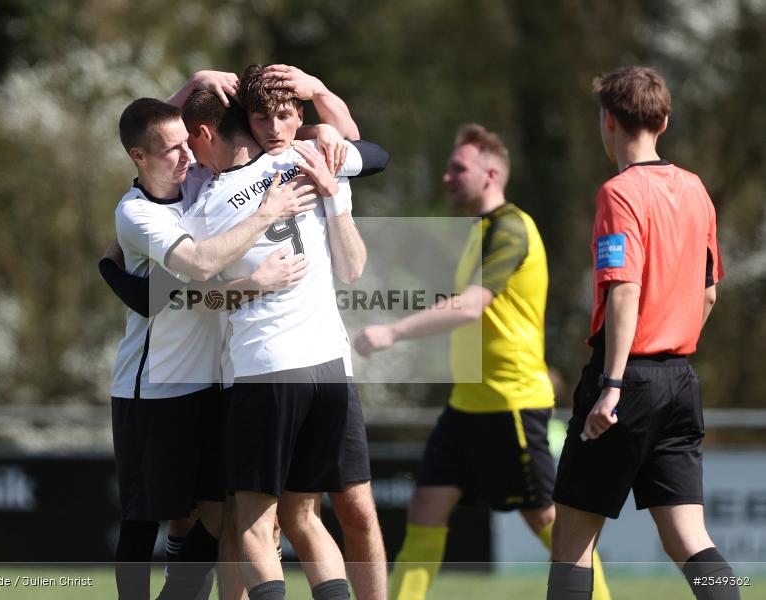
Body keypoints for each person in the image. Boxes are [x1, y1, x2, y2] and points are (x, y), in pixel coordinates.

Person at [354, 124, 610, 600]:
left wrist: (391, 331)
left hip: (509, 403)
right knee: (425, 510)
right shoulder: (479, 232)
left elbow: (471, 306)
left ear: (491, 174)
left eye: (459, 169)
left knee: (551, 522)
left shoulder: (511, 227)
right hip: (466, 404)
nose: (447, 177)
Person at [178, 86, 388, 600]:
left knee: (252, 524)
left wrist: (246, 285)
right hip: (328, 371)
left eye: (188, 144)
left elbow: (193, 298)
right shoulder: (316, 159)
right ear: (248, 123)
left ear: (205, 136)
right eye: (262, 116)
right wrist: (325, 121)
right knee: (305, 519)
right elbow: (375, 156)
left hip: (267, 369)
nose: (185, 155)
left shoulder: (209, 199)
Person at [108, 96, 316, 600]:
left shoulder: (198, 185)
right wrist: (257, 269)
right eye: (170, 150)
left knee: (218, 513)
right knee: (145, 516)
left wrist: (323, 130)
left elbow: (172, 291)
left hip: (212, 384)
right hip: (153, 388)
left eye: (187, 144)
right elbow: (196, 272)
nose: (185, 156)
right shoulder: (136, 214)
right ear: (139, 157)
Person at [547, 66, 733, 600]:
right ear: (664, 121)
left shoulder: (619, 192)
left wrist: (614, 385)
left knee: (573, 539)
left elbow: (623, 290)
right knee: (688, 538)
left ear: (607, 121)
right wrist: (671, 342)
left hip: (626, 380)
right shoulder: (696, 189)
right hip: (680, 379)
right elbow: (709, 292)